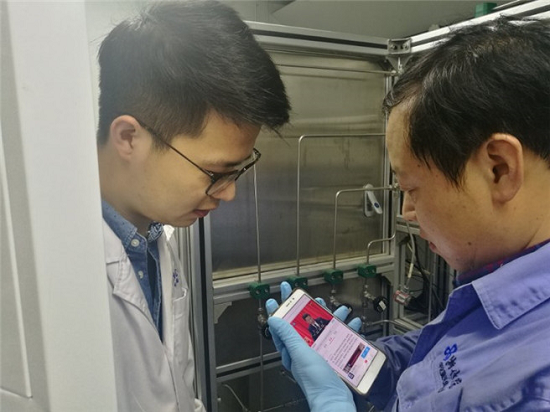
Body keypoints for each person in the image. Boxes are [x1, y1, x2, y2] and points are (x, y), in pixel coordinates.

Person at [267, 16, 550, 412]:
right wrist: (361, 363)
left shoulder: (538, 388)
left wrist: (331, 403)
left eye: (412, 188)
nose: (407, 212)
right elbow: (446, 364)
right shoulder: (496, 288)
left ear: (499, 169)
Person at [96, 1, 290, 411]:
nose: (229, 193)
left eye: (238, 170)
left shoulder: (153, 239)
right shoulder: (52, 275)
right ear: (129, 137)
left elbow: (176, 392)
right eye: (215, 171)